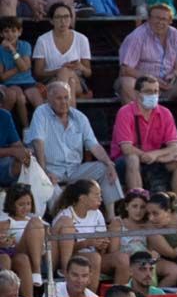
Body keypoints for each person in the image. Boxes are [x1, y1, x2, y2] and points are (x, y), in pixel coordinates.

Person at [29, 81, 121, 218]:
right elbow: (38, 142)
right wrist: (44, 171)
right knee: (48, 186)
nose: (63, 102)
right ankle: (63, 224)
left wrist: (109, 163)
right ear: (48, 98)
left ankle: (112, 217)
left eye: (66, 97)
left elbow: (94, 145)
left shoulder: (79, 117)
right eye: (59, 98)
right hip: (50, 170)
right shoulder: (41, 113)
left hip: (75, 170)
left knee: (104, 168)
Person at [116, 3, 177, 140]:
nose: (160, 22)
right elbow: (125, 69)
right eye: (156, 18)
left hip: (167, 83)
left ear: (170, 21)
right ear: (149, 19)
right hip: (142, 84)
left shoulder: (174, 34)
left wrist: (174, 74)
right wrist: (152, 80)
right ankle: (143, 130)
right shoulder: (137, 36)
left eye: (164, 19)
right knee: (126, 84)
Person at [110, 76, 177, 200]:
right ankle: (139, 204)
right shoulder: (125, 112)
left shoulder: (165, 113)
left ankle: (176, 208)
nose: (153, 95)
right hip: (126, 161)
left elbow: (173, 146)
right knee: (132, 159)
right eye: (148, 91)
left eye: (156, 91)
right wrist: (146, 156)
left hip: (155, 158)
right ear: (137, 94)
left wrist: (155, 155)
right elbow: (126, 148)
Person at [49, 179, 122, 291]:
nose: (100, 199)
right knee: (94, 258)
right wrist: (87, 243)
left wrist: (102, 245)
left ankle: (119, 295)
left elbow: (101, 247)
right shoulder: (65, 216)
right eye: (96, 195)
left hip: (94, 256)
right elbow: (61, 251)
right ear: (82, 198)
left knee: (122, 259)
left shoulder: (97, 214)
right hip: (71, 259)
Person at [31, 3, 90, 100]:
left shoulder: (82, 39)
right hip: (51, 81)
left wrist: (81, 67)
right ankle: (69, 112)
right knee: (67, 81)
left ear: (71, 19)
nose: (63, 21)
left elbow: (88, 73)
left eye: (66, 17)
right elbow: (38, 73)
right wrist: (59, 71)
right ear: (51, 20)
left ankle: (63, 111)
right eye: (58, 17)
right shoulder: (43, 40)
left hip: (77, 80)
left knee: (66, 78)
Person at [0, 183, 42, 297]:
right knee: (35, 223)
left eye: (28, 204)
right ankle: (36, 270)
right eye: (21, 204)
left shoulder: (34, 219)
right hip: (16, 251)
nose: (26, 208)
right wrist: (5, 241)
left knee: (36, 222)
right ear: (12, 204)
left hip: (35, 254)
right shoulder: (7, 222)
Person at [0, 16, 39, 129]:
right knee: (20, 98)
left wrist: (14, 53)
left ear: (19, 32)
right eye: (6, 31)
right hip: (11, 83)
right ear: (1, 34)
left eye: (13, 31)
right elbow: (2, 77)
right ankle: (26, 129)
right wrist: (20, 66)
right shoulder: (0, 50)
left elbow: (26, 66)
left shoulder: (25, 45)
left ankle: (42, 131)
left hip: (28, 82)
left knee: (38, 101)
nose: (10, 34)